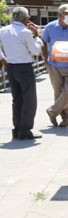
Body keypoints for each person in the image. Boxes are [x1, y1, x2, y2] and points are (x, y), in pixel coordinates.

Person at [0, 7, 43, 140]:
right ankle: (25, 130)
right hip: (24, 67)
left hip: (11, 67)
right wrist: (36, 36)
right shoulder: (25, 32)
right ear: (26, 19)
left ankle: (17, 129)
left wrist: (2, 58)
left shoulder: (3, 30)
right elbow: (36, 51)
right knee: (29, 100)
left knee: (17, 99)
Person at [42, 3, 68, 127]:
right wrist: (45, 58)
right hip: (54, 65)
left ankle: (52, 111)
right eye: (67, 14)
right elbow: (44, 41)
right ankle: (66, 118)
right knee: (58, 92)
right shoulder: (50, 27)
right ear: (60, 15)